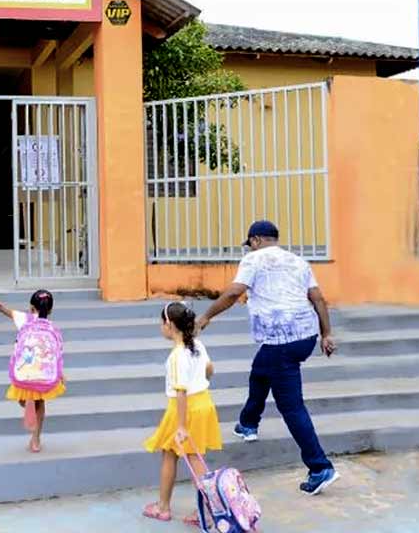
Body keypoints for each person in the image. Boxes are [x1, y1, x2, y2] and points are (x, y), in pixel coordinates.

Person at [199, 220, 339, 496]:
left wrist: (205, 317)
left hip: (280, 340)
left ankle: (320, 467)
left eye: (250, 244)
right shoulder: (298, 261)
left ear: (255, 240)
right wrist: (326, 334)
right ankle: (248, 423)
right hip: (305, 336)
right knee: (260, 371)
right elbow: (318, 298)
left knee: (292, 406)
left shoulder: (253, 259)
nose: (250, 248)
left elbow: (234, 292)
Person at [142, 302, 221, 525]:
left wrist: (181, 426)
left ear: (169, 325)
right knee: (171, 452)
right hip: (203, 401)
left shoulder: (177, 356)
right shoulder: (196, 345)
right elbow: (210, 368)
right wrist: (201, 379)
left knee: (192, 458)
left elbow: (181, 391)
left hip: (185, 409)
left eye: (162, 322)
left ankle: (207, 510)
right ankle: (164, 505)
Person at [0, 274, 63, 453]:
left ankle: (31, 419)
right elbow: (55, 352)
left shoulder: (24, 319)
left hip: (25, 372)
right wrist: (61, 373)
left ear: (31, 308)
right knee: (40, 402)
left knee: (25, 399)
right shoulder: (52, 327)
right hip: (43, 374)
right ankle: (36, 439)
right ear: (50, 310)